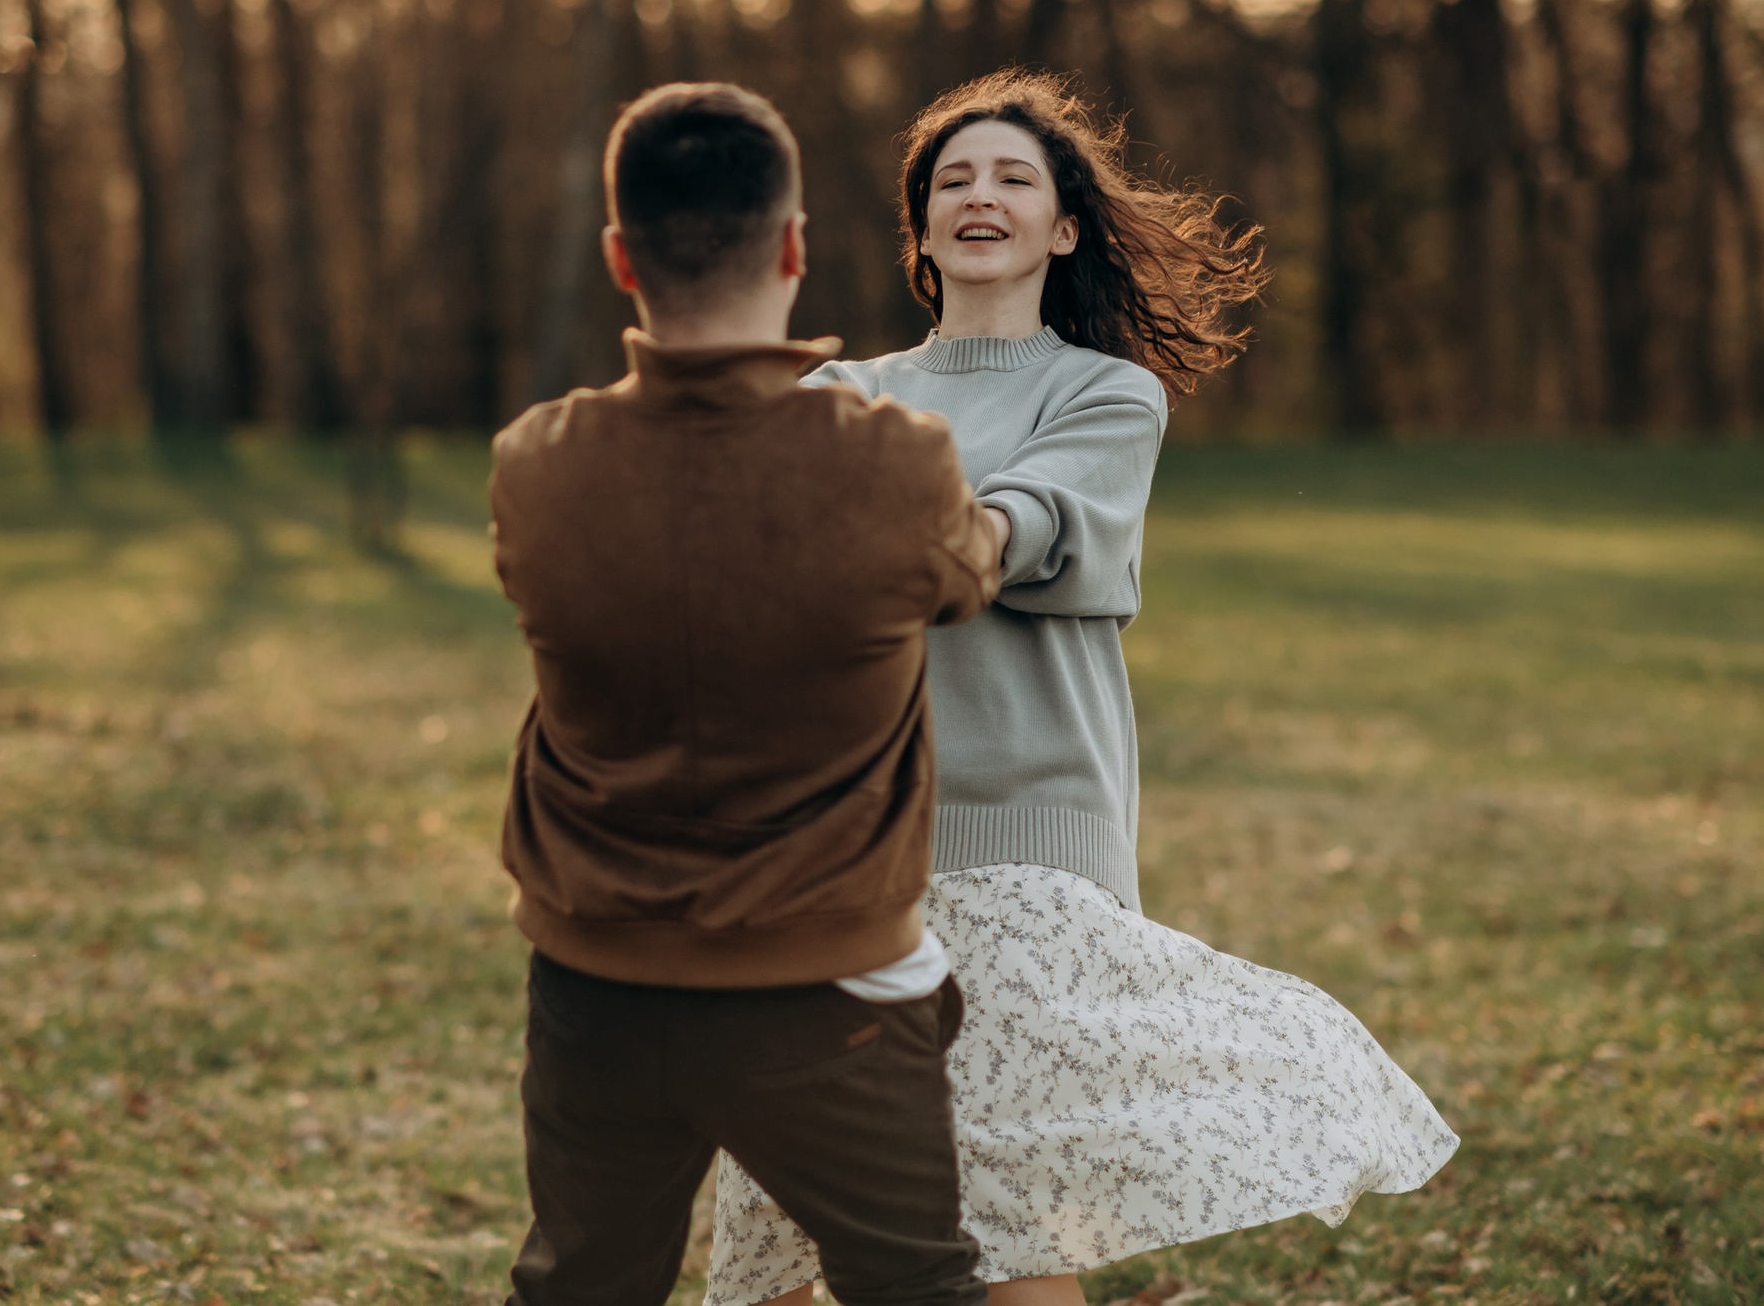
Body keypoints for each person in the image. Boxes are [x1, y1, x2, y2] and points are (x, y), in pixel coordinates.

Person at [706, 73, 1459, 1306]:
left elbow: (1018, 527)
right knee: (779, 1220)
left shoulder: (1107, 396)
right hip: (838, 851)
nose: (979, 196)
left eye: (1011, 178)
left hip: (1023, 847)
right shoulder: (840, 394)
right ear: (923, 232)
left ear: (1062, 228)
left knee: (1005, 1212)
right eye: (952, 181)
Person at [491, 83, 1007, 1306]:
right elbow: (968, 572)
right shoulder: (895, 461)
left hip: (593, 992)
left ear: (621, 258)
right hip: (825, 999)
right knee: (917, 1286)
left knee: (579, 1289)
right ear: (792, 247)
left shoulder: (536, 464)